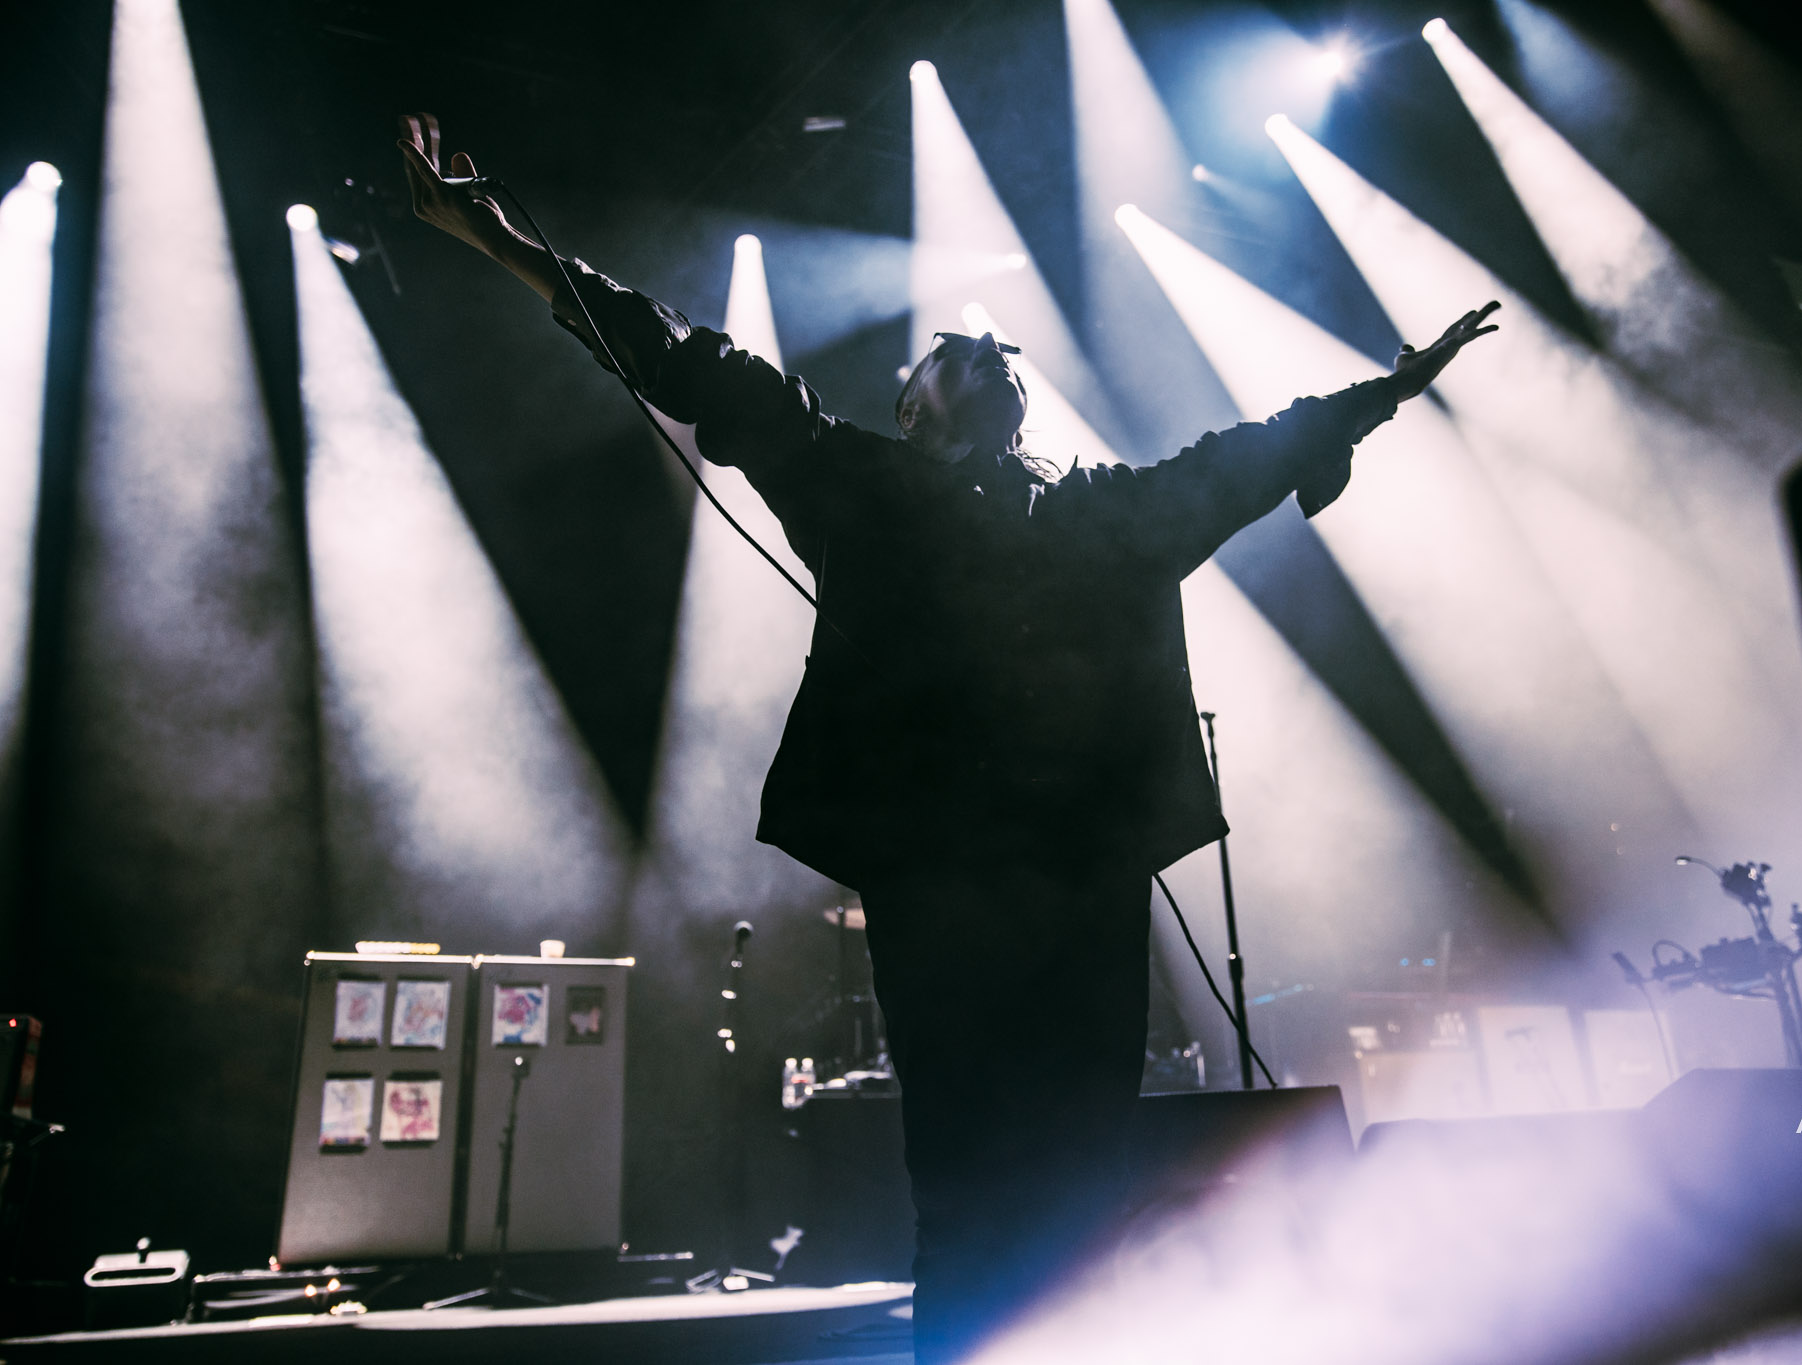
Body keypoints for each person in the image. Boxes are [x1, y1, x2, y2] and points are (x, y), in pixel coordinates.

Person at [398, 112, 1497, 1362]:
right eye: (942, 356)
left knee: (1085, 1162)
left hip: (1081, 869)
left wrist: (1382, 390)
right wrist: (505, 242)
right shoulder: (856, 484)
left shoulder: (1103, 513)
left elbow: (1242, 459)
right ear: (913, 411)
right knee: (966, 1166)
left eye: (985, 350)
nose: (975, 347)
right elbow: (692, 360)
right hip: (940, 874)